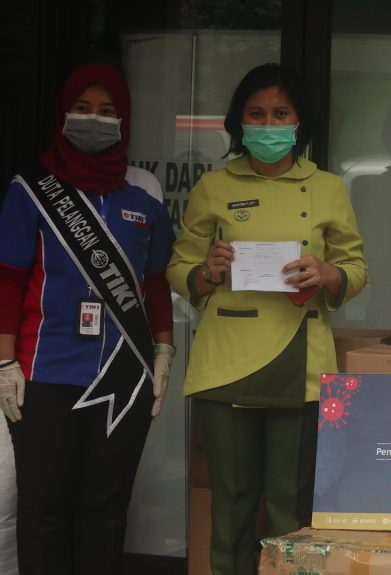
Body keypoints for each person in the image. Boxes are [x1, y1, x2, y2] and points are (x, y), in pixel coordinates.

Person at [166, 62, 367, 575]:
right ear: (240, 122)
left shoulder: (327, 187)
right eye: (257, 114)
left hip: (300, 361)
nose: (269, 124)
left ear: (299, 122)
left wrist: (327, 272)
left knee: (289, 505)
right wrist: (207, 271)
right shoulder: (213, 185)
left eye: (280, 113)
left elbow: (356, 268)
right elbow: (180, 269)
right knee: (231, 502)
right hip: (225, 361)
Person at [0, 62, 175, 575]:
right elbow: (8, 279)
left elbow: (156, 280)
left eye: (106, 110)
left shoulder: (145, 192)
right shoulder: (31, 189)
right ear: (63, 114)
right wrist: (4, 362)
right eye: (82, 108)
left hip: (123, 373)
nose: (94, 119)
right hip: (42, 372)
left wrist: (164, 349)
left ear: (124, 119)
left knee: (105, 510)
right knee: (44, 509)